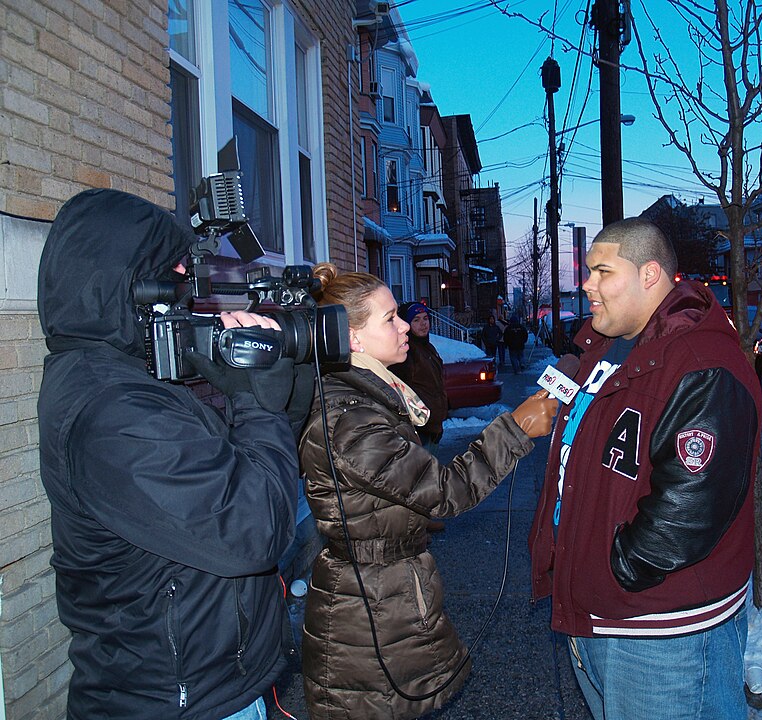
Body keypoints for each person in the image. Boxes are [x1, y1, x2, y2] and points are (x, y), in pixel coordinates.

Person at [36, 189, 312, 719]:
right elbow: (252, 530)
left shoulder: (124, 380)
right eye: (175, 271)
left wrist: (282, 405)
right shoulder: (113, 413)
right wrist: (257, 405)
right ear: (129, 283)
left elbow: (228, 476)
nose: (187, 286)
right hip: (178, 703)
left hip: (205, 686)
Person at [298, 263, 558, 719]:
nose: (404, 327)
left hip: (383, 594)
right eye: (390, 318)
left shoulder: (369, 395)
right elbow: (446, 490)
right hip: (369, 610)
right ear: (352, 338)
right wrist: (516, 429)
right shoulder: (353, 419)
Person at [528, 218, 761, 719]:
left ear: (649, 274)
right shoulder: (601, 348)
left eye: (601, 271)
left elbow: (689, 506)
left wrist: (617, 568)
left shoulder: (701, 363)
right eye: (588, 271)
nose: (585, 284)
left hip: (660, 633)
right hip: (597, 612)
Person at [390, 301, 447, 454]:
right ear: (407, 324)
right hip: (418, 431)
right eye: (416, 320)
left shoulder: (428, 348)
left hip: (433, 428)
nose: (423, 324)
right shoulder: (406, 352)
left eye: (425, 318)